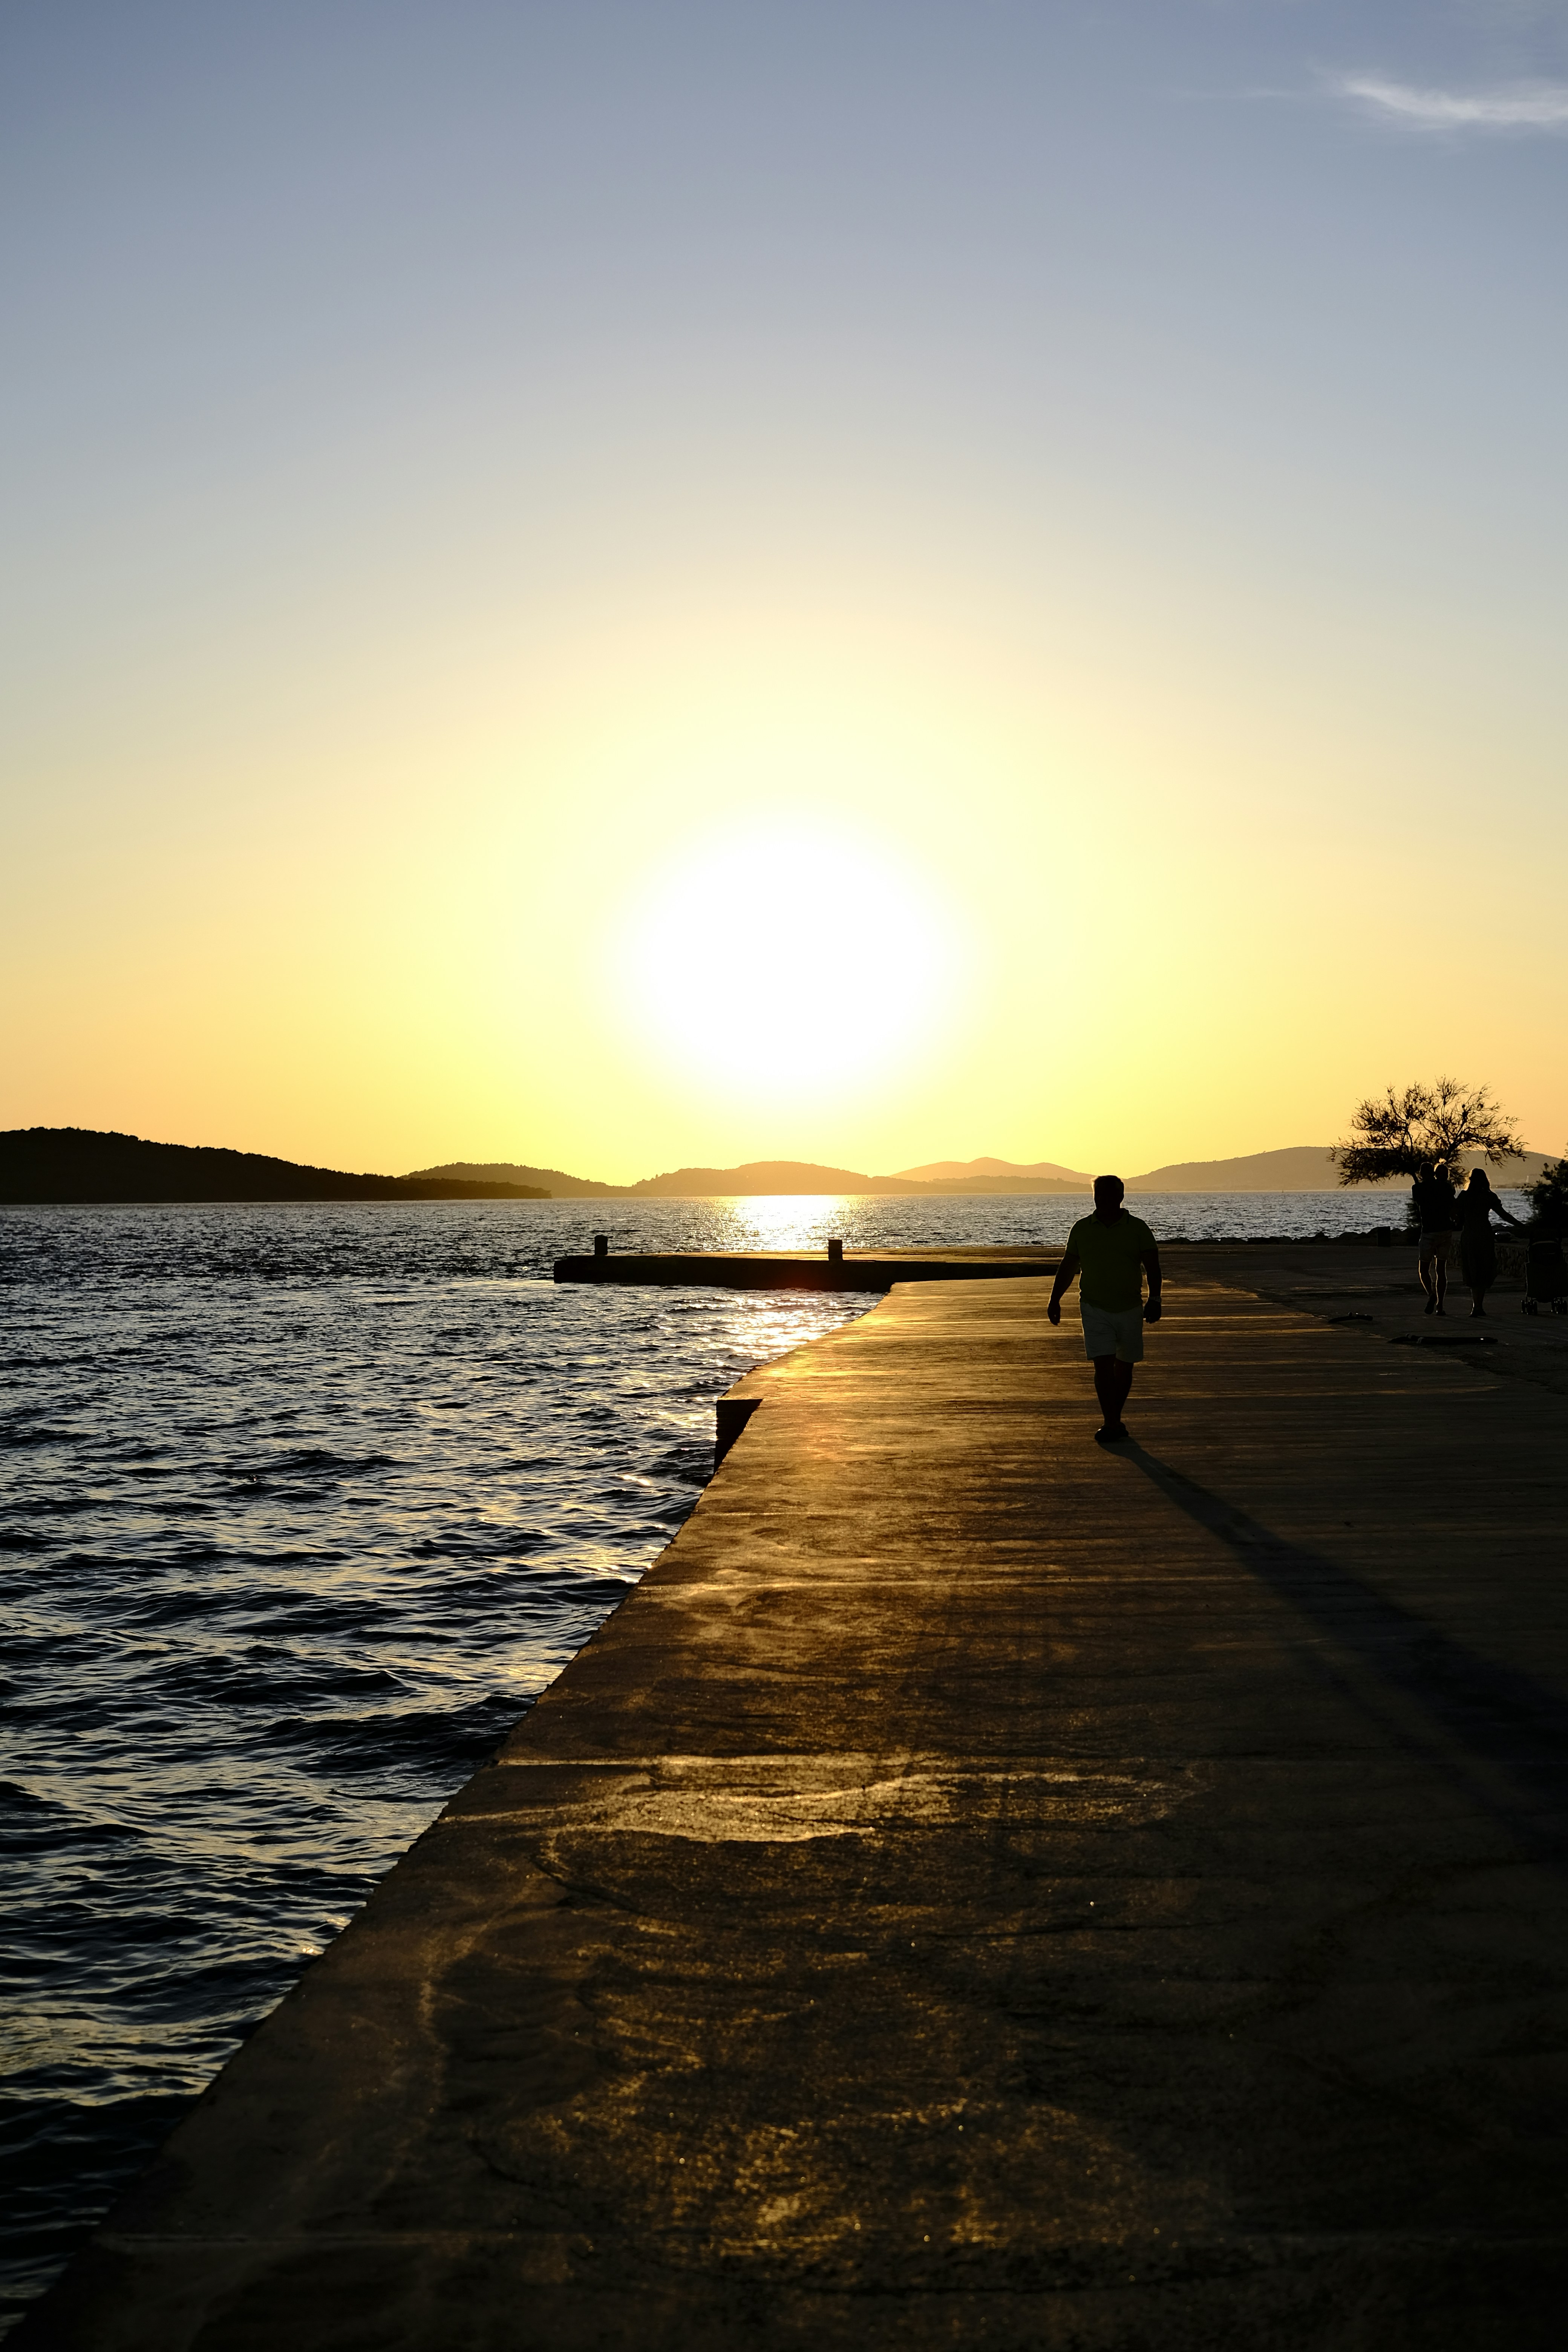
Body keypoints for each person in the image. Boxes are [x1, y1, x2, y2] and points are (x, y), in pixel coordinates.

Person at [1047, 1175, 1162, 1445]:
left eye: (1110, 1195)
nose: (1104, 1200)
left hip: (1130, 1307)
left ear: (1121, 1197)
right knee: (1103, 1366)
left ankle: (1114, 1418)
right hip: (1093, 1306)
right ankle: (1112, 1422)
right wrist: (1055, 1300)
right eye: (1099, 1195)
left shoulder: (1138, 1229)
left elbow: (1153, 1267)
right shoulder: (1082, 1229)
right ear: (1094, 1196)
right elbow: (1068, 1267)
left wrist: (1155, 1299)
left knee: (1125, 1367)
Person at [1454, 1167, 1523, 1317]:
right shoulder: (1488, 1197)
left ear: (1471, 1181)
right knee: (1483, 1267)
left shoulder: (1465, 1196)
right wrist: (1521, 1226)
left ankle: (1476, 1306)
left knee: (1473, 1268)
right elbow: (1504, 1215)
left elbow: (1454, 1212)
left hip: (1470, 1235)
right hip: (1484, 1234)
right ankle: (1479, 1306)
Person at [1412, 1160, 1458, 1317]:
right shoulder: (1446, 1187)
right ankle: (1440, 1306)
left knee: (1424, 1269)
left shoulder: (1417, 1188)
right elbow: (1453, 1205)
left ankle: (1431, 1294)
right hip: (1445, 1230)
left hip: (1429, 1232)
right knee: (1441, 1270)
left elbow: (1420, 1204)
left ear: (1421, 1174)